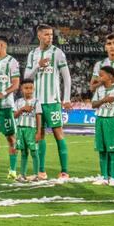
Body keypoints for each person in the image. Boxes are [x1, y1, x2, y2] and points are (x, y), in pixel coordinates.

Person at [25, 24, 71, 180]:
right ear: (39, 36)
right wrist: (38, 65)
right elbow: (27, 77)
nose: (50, 37)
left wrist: (66, 98)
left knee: (59, 134)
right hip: (37, 102)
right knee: (40, 135)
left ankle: (64, 171)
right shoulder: (33, 55)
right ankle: (41, 171)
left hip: (52, 101)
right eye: (46, 34)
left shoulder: (58, 53)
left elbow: (67, 77)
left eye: (51, 34)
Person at [0, 35, 23, 179]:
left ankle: (13, 170)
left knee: (11, 139)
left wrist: (2, 94)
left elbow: (16, 84)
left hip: (6, 107)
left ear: (2, 45)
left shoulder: (12, 62)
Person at [90, 64, 114, 186]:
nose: (99, 77)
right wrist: (104, 100)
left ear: (110, 76)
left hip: (112, 120)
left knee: (112, 149)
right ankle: (104, 177)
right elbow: (93, 104)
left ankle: (113, 177)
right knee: (102, 150)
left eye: (102, 75)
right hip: (99, 119)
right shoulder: (99, 90)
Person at [12, 78, 41, 182]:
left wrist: (38, 132)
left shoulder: (36, 102)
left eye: (31, 88)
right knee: (23, 152)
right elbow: (14, 116)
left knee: (34, 152)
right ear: (21, 89)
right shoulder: (18, 102)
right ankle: (23, 175)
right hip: (20, 129)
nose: (29, 90)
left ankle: (35, 174)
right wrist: (22, 109)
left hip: (31, 130)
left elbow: (38, 117)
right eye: (26, 88)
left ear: (34, 89)